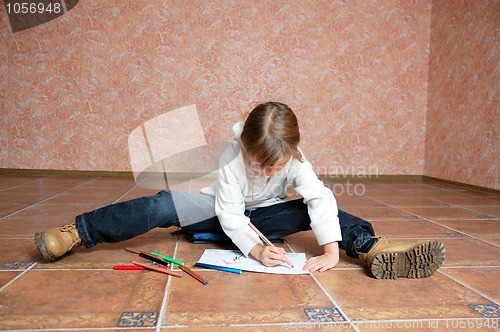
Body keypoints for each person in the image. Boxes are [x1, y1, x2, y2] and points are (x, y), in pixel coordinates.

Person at [34, 102, 445, 279]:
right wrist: (255, 251)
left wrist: (332, 250)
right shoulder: (231, 160)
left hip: (264, 215)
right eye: (258, 163)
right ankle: (78, 232)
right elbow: (230, 215)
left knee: (316, 209)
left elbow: (320, 199)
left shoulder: (299, 162)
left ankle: (373, 249)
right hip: (216, 209)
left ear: (292, 154)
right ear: (244, 147)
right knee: (163, 204)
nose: (267, 170)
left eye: (276, 165)